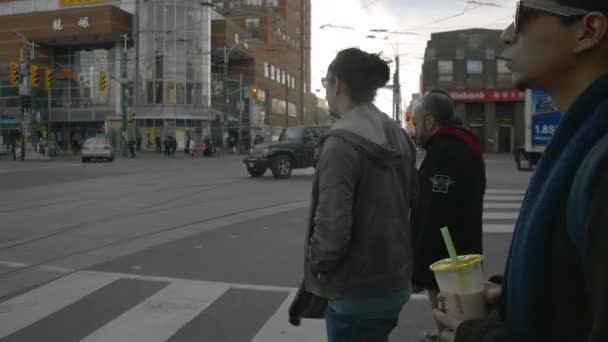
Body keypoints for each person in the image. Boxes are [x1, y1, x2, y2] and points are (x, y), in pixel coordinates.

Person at [433, 1, 608, 341]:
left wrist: (478, 337)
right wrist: (512, 293)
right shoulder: (581, 143)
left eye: (521, 16)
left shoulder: (600, 166)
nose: (506, 35)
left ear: (589, 31)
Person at [288, 48, 418, 342]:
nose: (327, 91)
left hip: (355, 293)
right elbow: (412, 199)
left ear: (338, 84)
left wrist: (317, 266)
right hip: (394, 283)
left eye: (325, 82)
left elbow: (332, 229)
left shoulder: (340, 144)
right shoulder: (398, 135)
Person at [410, 93, 486, 342]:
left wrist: (418, 264)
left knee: (451, 310)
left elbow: (433, 212)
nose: (415, 128)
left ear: (430, 121)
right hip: (460, 245)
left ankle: (447, 336)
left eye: (417, 121)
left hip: (445, 255)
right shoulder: (462, 144)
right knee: (460, 309)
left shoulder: (445, 152)